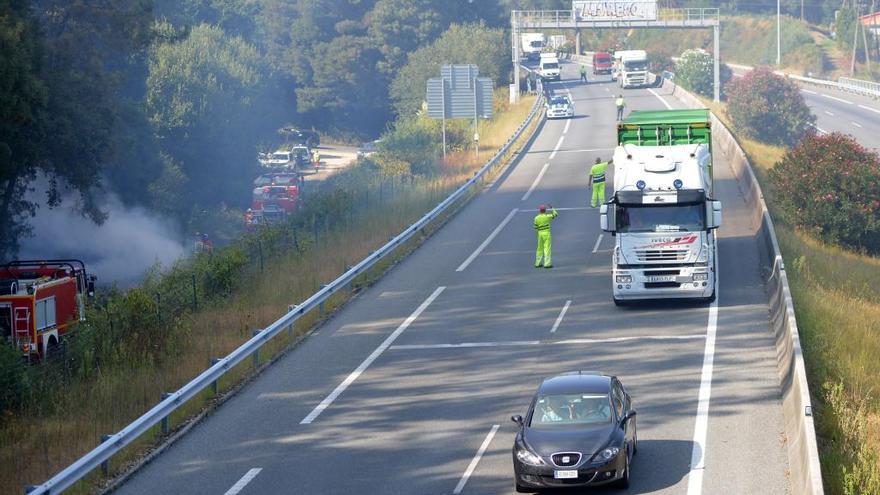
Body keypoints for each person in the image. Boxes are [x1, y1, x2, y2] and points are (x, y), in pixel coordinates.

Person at [534, 204, 558, 268]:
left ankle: (537, 263)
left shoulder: (536, 218)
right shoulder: (547, 216)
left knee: (539, 248)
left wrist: (537, 234)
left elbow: (535, 227)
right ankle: (547, 264)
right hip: (546, 233)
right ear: (545, 210)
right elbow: (555, 214)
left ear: (539, 211)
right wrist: (552, 208)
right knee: (547, 248)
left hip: (540, 234)